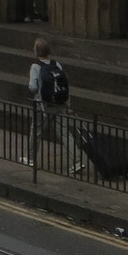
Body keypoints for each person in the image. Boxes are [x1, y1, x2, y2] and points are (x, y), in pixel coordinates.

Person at [26, 36, 81, 172]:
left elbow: (33, 87)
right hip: (59, 103)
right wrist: (67, 103)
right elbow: (65, 83)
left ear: (36, 51)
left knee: (36, 131)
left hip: (43, 105)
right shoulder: (57, 65)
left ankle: (30, 158)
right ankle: (77, 161)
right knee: (64, 133)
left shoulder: (35, 66)